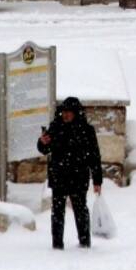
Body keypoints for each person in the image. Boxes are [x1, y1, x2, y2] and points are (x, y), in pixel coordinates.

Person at [37, 95, 104, 250]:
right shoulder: (55, 127)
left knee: (81, 211)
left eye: (69, 112)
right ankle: (57, 244)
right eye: (64, 112)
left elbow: (94, 156)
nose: (66, 115)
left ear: (76, 113)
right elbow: (44, 149)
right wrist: (42, 142)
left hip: (78, 177)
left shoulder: (86, 131)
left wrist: (97, 180)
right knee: (57, 212)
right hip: (59, 176)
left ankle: (84, 242)